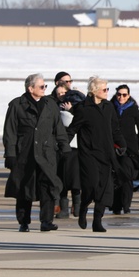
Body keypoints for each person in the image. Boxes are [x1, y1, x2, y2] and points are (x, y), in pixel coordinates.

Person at [3, 74, 70, 232]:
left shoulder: (50, 105)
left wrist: (64, 147)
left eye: (45, 86)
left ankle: (46, 221)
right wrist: (10, 154)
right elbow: (9, 132)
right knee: (24, 189)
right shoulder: (16, 105)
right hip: (25, 155)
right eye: (41, 87)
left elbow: (58, 128)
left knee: (47, 187)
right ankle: (23, 222)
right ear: (30, 88)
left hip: (47, 154)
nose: (44, 89)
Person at [67, 76, 122, 233]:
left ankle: (97, 221)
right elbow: (72, 129)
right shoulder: (83, 109)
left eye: (107, 89)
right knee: (91, 185)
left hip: (106, 154)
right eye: (104, 89)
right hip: (88, 155)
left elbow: (115, 129)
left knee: (104, 188)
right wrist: (62, 145)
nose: (107, 92)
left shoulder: (109, 107)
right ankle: (83, 208)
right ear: (94, 91)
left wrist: (122, 145)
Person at [111, 84, 139, 215]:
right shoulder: (110, 107)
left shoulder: (133, 110)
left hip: (129, 150)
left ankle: (126, 206)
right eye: (119, 95)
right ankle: (115, 206)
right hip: (113, 148)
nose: (121, 97)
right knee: (114, 177)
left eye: (124, 95)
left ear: (129, 95)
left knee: (126, 177)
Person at [52, 72, 84, 219]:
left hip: (76, 148)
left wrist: (71, 110)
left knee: (75, 180)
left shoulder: (77, 105)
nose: (62, 96)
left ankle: (77, 206)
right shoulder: (53, 106)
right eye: (59, 93)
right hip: (60, 148)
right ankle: (63, 208)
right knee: (63, 180)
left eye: (64, 93)